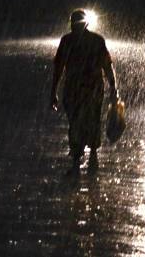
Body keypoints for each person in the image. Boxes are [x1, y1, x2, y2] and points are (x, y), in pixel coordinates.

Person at [50, 9, 117, 173]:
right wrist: (113, 86)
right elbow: (107, 65)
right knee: (91, 119)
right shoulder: (96, 40)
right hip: (92, 86)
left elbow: (59, 67)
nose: (73, 25)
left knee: (76, 122)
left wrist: (54, 91)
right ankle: (91, 154)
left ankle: (77, 158)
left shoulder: (67, 41)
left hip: (76, 87)